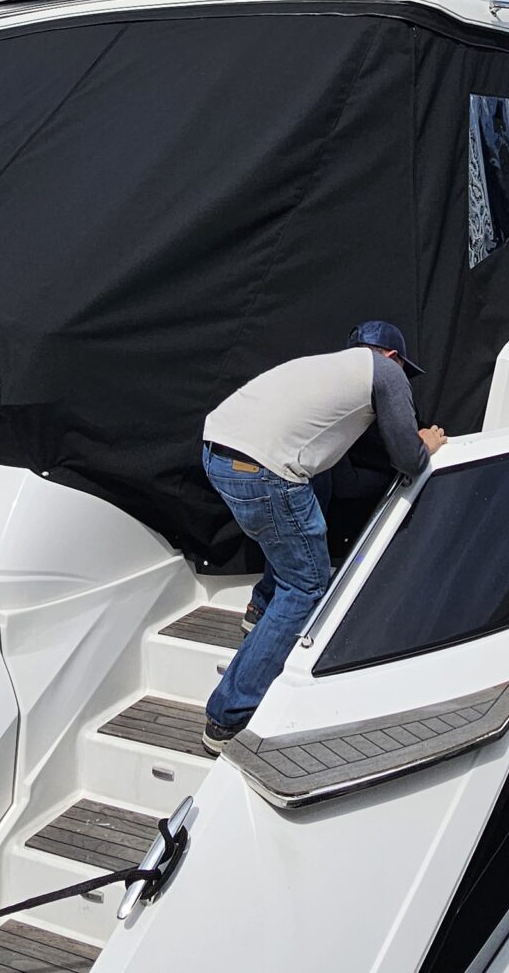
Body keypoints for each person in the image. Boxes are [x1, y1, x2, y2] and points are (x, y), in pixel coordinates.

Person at [198, 320, 446, 751]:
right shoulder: (385, 372)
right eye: (405, 371)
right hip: (264, 472)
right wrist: (426, 444)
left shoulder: (327, 369)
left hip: (217, 452)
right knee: (308, 586)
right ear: (392, 357)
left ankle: (260, 609)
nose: (403, 383)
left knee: (317, 485)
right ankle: (228, 716)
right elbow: (408, 457)